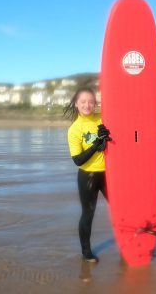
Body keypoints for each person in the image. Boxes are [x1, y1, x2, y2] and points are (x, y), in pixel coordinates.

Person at [64, 88, 111, 263]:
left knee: (120, 208)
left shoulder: (103, 119)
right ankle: (86, 252)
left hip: (109, 175)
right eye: (83, 101)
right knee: (88, 213)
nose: (87, 105)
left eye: (91, 101)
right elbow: (78, 160)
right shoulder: (74, 129)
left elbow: (128, 120)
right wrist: (95, 145)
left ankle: (128, 243)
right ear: (76, 104)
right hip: (88, 176)